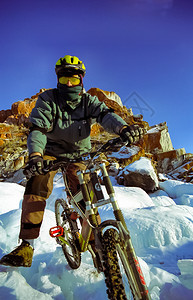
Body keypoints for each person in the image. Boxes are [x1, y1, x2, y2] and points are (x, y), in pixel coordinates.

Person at [0, 55, 144, 267]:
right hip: (50, 153)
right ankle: (26, 246)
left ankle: (96, 243)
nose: (69, 83)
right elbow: (38, 129)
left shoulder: (88, 101)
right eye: (65, 78)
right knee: (37, 181)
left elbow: (105, 115)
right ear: (58, 79)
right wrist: (35, 156)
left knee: (84, 190)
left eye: (74, 80)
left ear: (81, 81)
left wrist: (123, 129)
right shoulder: (48, 99)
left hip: (78, 155)